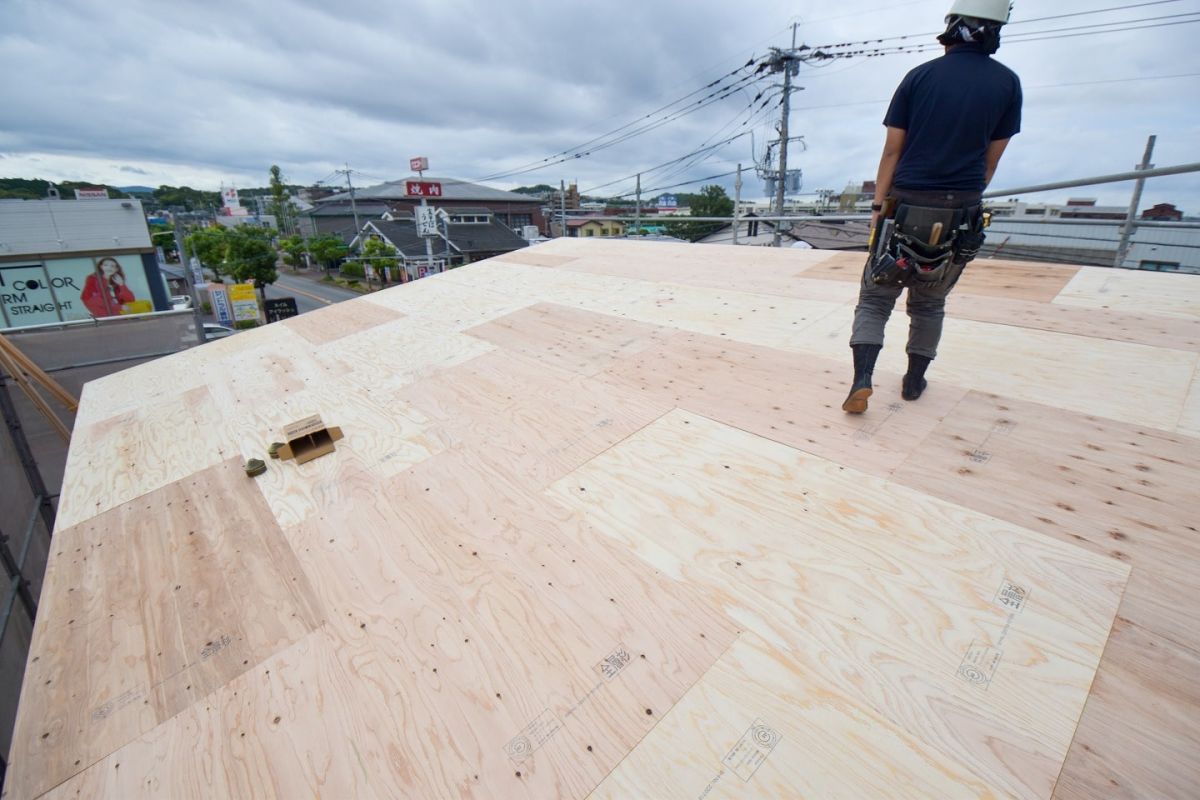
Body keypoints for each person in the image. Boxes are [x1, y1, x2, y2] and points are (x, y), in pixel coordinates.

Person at [842, 0, 1022, 414]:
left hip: (904, 206)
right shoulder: (1007, 84)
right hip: (961, 211)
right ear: (995, 32)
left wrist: (876, 208)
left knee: (875, 298)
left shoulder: (919, 77)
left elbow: (892, 152)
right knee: (930, 302)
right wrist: (963, 201)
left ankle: (862, 379)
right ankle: (913, 381)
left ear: (951, 30)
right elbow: (990, 162)